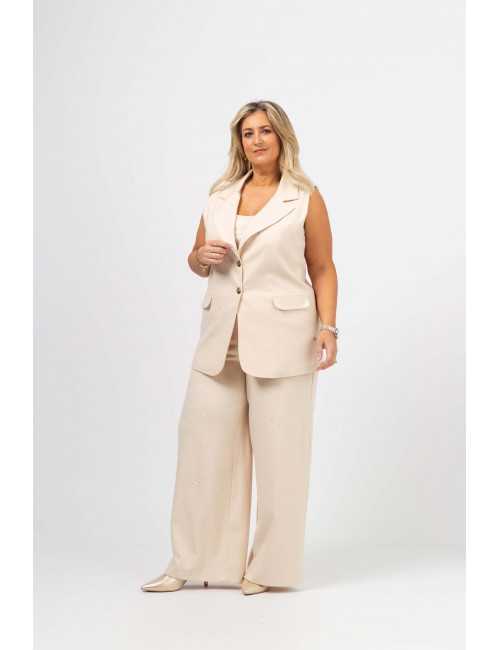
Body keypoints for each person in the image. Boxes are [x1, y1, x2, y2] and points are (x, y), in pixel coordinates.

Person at [141, 100, 338, 596]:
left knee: (281, 458)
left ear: (281, 136)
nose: (257, 140)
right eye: (248, 133)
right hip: (220, 342)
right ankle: (192, 561)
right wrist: (199, 257)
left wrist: (329, 328)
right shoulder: (220, 196)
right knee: (201, 451)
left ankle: (268, 569)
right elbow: (197, 259)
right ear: (240, 142)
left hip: (284, 340)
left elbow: (322, 267)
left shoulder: (305, 198)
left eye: (265, 131)